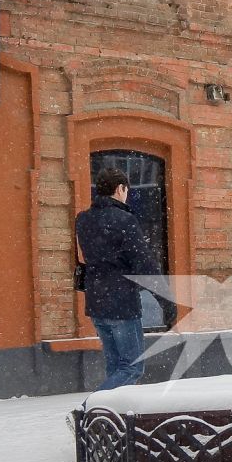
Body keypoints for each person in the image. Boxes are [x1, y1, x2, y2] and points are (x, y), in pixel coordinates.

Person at [74, 166, 161, 391]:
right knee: (132, 368)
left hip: (96, 302)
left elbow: (84, 258)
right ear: (120, 189)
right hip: (122, 303)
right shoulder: (125, 220)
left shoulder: (83, 219)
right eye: (126, 190)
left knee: (115, 367)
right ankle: (88, 410)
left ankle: (112, 422)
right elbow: (143, 263)